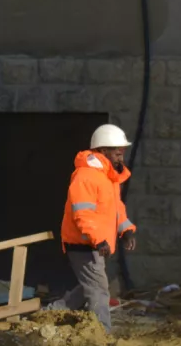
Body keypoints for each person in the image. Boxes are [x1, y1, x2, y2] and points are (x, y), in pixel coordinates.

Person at [57, 124, 137, 334]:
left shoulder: (107, 177)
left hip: (95, 244)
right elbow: (82, 214)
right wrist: (98, 240)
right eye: (117, 153)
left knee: (89, 287)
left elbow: (116, 209)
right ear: (103, 151)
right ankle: (103, 335)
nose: (121, 157)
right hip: (84, 244)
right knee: (99, 290)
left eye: (122, 152)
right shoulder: (86, 176)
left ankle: (52, 313)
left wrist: (126, 230)